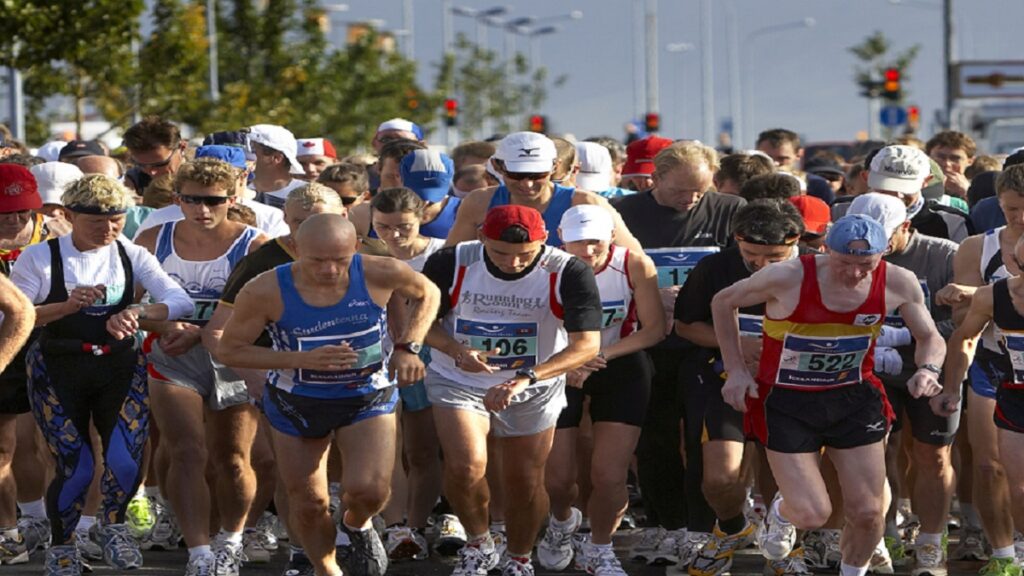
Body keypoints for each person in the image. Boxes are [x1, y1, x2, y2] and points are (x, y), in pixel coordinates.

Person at [711, 215, 945, 576]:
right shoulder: (788, 276)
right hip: (787, 400)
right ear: (825, 250)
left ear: (884, 253)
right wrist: (737, 369)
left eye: (866, 264)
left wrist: (928, 369)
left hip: (853, 397)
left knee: (869, 513)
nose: (854, 273)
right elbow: (723, 301)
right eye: (844, 263)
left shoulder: (898, 281)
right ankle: (782, 512)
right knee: (811, 514)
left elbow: (930, 336)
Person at [217, 213, 440, 576]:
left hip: (365, 394)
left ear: (356, 247)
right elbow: (229, 349)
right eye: (317, 260)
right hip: (298, 400)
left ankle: (356, 525)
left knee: (369, 490)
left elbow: (428, 292)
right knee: (309, 503)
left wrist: (408, 346)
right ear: (295, 248)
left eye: (340, 259)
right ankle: (326, 568)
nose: (329, 270)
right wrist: (300, 359)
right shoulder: (264, 289)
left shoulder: (380, 271)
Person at [10, 174, 192, 574]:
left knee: (125, 460)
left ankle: (112, 527)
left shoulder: (131, 253)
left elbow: (181, 301)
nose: (109, 229)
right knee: (76, 466)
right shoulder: (39, 257)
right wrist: (65, 306)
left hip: (118, 364)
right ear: (69, 215)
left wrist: (138, 312)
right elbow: (16, 316)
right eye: (97, 221)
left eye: (116, 220)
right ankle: (63, 545)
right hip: (58, 366)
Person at [421, 205, 602, 576]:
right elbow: (420, 323)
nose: (513, 263)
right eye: (500, 252)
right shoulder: (451, 262)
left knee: (524, 481)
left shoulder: (568, 270)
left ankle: (519, 557)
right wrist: (457, 350)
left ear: (544, 241)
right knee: (466, 466)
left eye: (525, 254)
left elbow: (587, 345)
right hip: (459, 378)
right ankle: (479, 543)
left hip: (533, 384)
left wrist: (527, 377)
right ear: (482, 238)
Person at [612, 140, 745, 567]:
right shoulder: (625, 213)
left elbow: (743, 271)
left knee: (700, 440)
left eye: (699, 191)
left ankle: (699, 530)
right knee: (656, 438)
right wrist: (650, 295)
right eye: (679, 191)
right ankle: (664, 524)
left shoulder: (729, 210)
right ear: (654, 179)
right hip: (650, 342)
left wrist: (695, 296)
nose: (690, 199)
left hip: (705, 342)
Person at [134, 157, 269, 576]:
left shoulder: (255, 245)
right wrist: (164, 324)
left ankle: (231, 539)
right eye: (191, 200)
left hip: (233, 356)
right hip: (171, 354)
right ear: (177, 199)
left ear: (233, 199)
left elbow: (267, 312)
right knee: (187, 451)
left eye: (214, 200)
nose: (202, 210)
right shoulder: (153, 238)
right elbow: (131, 305)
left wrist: (204, 331)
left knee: (232, 458)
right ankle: (199, 552)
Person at [207, 182, 347, 576]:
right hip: (287, 381)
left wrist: (403, 350)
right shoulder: (261, 262)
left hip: (355, 381)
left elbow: (410, 302)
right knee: (298, 478)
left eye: (323, 221)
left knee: (356, 476)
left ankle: (356, 531)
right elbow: (216, 332)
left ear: (345, 218)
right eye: (300, 223)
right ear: (285, 219)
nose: (311, 233)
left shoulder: (370, 255)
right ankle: (304, 553)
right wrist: (255, 378)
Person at [678, 200, 810, 576]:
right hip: (727, 380)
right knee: (719, 478)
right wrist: (735, 344)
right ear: (737, 240)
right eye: (751, 255)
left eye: (774, 257)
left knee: (783, 477)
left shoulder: (816, 268)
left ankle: (784, 547)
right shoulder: (714, 267)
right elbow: (686, 325)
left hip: (794, 385)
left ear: (796, 242)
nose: (761, 265)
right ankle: (733, 528)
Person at [540, 205, 663, 576]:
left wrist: (598, 355)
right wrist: (567, 363)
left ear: (611, 236)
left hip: (617, 361)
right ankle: (562, 521)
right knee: (558, 479)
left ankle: (600, 546)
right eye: (578, 242)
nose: (588, 250)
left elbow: (654, 329)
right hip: (559, 367)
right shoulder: (543, 266)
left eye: (595, 241)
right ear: (561, 238)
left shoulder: (633, 264)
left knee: (609, 475)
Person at [847, 193, 960, 576]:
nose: (869, 245)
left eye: (880, 236)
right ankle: (882, 535)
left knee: (933, 455)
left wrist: (909, 338)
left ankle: (930, 542)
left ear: (906, 227)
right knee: (875, 454)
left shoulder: (942, 254)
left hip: (933, 368)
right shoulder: (847, 253)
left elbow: (967, 319)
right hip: (871, 369)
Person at [933, 164, 1024, 571]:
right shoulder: (977, 247)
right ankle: (1004, 554)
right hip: (995, 366)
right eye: (1012, 209)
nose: (1021, 218)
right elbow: (962, 320)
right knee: (989, 465)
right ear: (998, 205)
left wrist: (979, 292)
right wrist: (986, 296)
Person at [367, 188, 447, 562]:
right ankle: (396, 526)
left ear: (422, 219)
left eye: (403, 227)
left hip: (430, 355)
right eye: (383, 227)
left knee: (423, 448)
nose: (394, 236)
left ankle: (416, 524)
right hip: (376, 358)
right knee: (387, 447)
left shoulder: (442, 253)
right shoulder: (364, 253)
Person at [0, 164, 70, 564]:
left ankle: (68, 527)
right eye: (4, 212)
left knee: (58, 444)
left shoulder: (60, 233)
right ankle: (19, 528)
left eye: (22, 210)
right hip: (6, 348)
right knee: (9, 445)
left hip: (55, 347)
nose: (14, 220)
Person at [445, 132, 642, 253]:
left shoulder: (587, 203)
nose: (527, 184)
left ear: (555, 167)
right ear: (498, 166)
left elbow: (636, 259)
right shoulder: (479, 202)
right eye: (516, 175)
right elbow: (448, 260)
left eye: (537, 174)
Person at [134, 145, 289, 238]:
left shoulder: (271, 217)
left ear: (244, 175)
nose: (203, 209)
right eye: (202, 172)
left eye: (226, 174)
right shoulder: (159, 219)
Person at [249, 124, 308, 209]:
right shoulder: (236, 189)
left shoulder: (306, 194)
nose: (244, 155)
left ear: (276, 158)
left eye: (252, 150)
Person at [925, 131, 976, 200]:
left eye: (955, 158)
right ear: (928, 157)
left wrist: (967, 193)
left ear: (970, 161)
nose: (947, 164)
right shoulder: (915, 187)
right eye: (940, 157)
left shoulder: (980, 191)